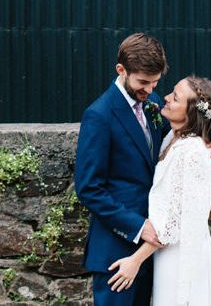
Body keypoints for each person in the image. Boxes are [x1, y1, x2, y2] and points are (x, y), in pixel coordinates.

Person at [106, 75, 211, 305]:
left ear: (191, 113)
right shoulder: (173, 136)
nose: (165, 97)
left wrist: (135, 260)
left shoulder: (190, 152)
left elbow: (172, 223)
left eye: (175, 97)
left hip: (181, 256)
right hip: (167, 254)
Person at [75, 33, 171, 305]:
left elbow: (183, 135)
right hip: (115, 252)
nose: (150, 90)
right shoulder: (99, 115)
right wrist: (139, 227)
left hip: (151, 252)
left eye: (155, 82)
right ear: (121, 70)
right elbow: (89, 189)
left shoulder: (153, 106)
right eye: (143, 82)